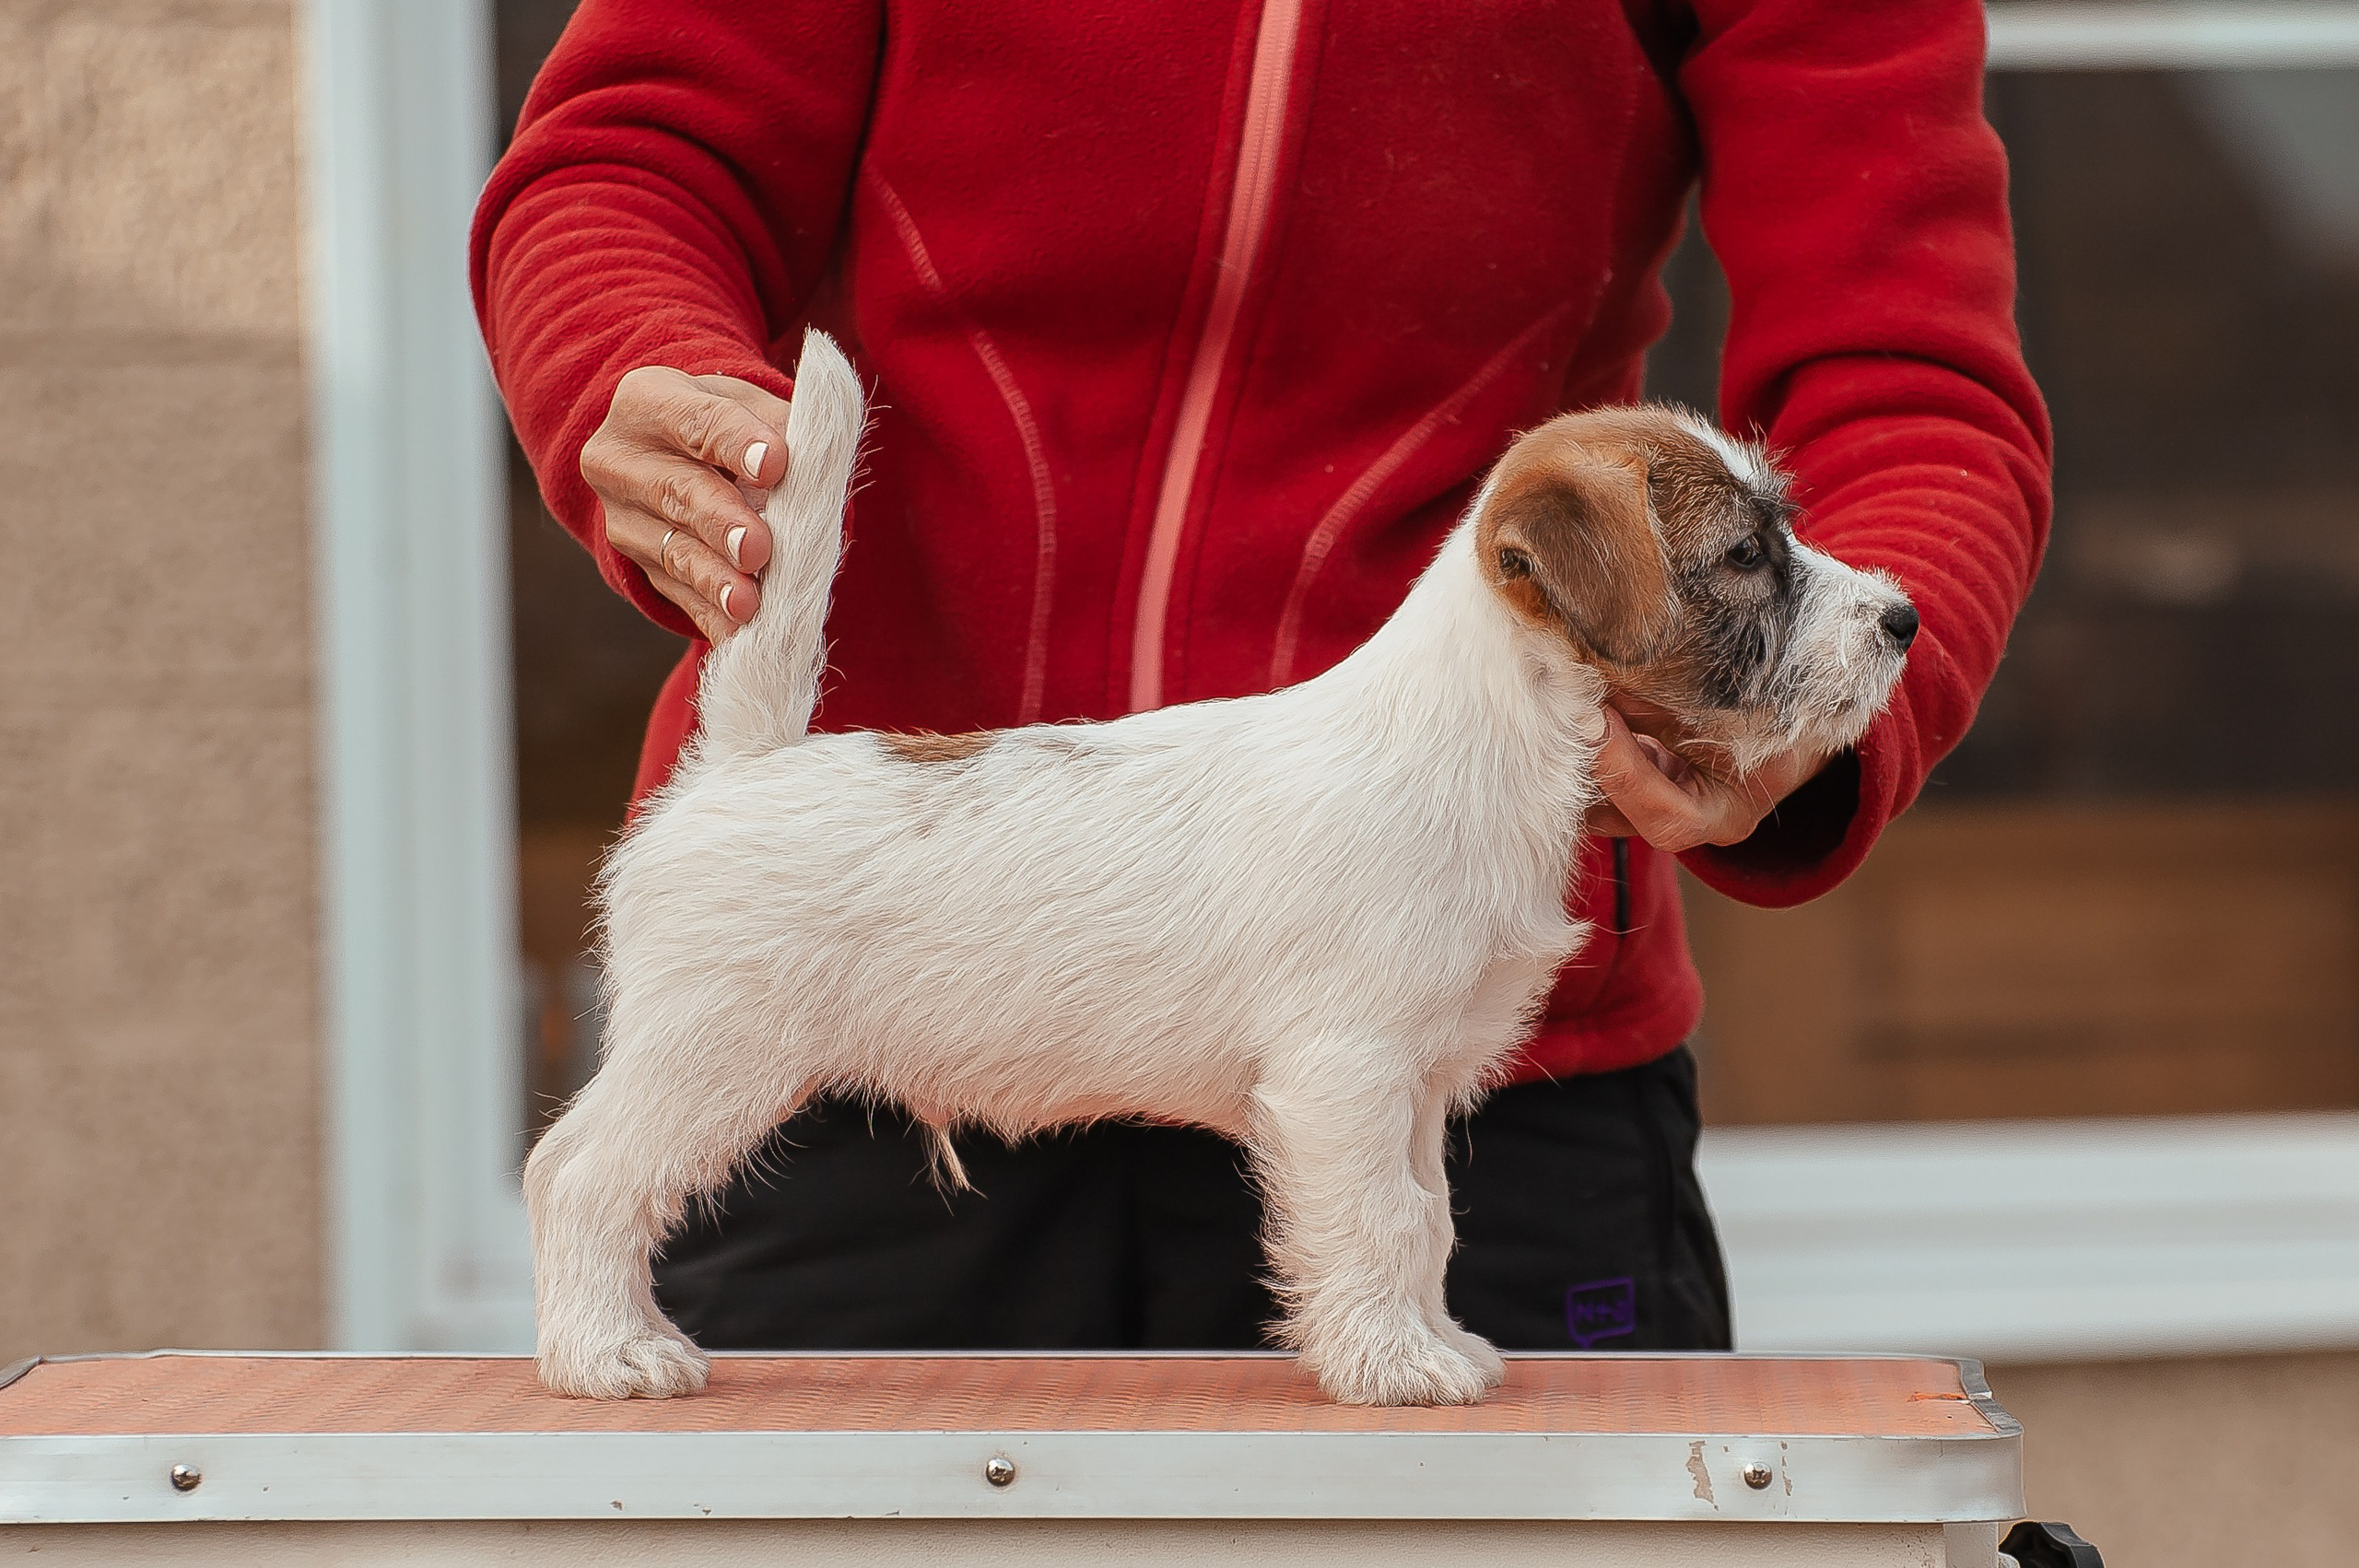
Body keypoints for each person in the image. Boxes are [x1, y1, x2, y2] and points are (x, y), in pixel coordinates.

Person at [471, 0, 2048, 1355]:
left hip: (1512, 1083)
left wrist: (1819, 724)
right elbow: (631, 152)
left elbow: (1910, 367)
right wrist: (636, 360)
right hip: (885, 988)